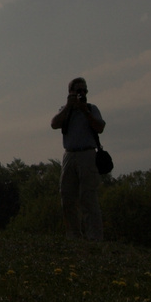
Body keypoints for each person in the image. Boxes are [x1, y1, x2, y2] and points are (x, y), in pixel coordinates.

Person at [50, 76, 106, 241]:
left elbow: (100, 127)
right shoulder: (65, 110)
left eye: (84, 90)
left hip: (87, 154)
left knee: (88, 197)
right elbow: (54, 123)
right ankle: (74, 236)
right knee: (67, 196)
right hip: (69, 155)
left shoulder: (91, 108)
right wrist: (69, 106)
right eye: (78, 91)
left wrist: (85, 111)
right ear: (70, 93)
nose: (82, 93)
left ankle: (94, 238)